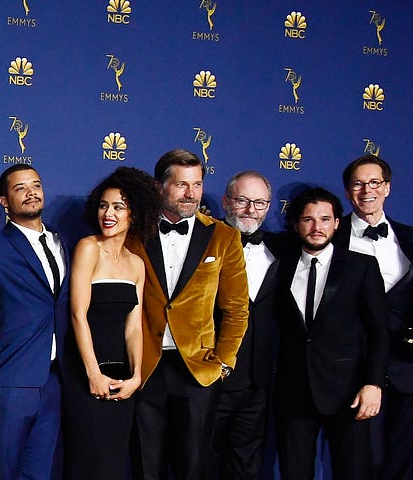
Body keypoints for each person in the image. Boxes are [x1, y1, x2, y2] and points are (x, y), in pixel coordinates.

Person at [131, 149, 249, 480]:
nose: (191, 193)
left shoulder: (225, 236)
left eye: (197, 184)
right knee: (145, 466)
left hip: (198, 370)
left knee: (193, 468)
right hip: (145, 368)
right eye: (181, 185)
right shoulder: (133, 233)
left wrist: (223, 362)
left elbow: (237, 308)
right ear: (159, 187)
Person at [333, 155, 413, 480]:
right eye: (358, 183)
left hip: (410, 368)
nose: (366, 190)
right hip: (356, 370)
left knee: (401, 465)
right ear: (347, 190)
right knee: (356, 466)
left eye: (374, 182)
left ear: (387, 188)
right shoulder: (332, 238)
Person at [0, 164, 69, 480]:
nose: (31, 192)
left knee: (38, 473)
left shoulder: (61, 242)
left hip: (52, 381)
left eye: (36, 184)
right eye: (20, 188)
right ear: (4, 202)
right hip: (10, 379)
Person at [272, 187, 388, 480]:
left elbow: (378, 330)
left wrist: (373, 383)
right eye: (308, 220)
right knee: (294, 472)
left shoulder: (361, 266)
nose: (317, 227)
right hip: (294, 390)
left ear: (337, 222)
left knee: (352, 472)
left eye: (325, 219)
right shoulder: (280, 266)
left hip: (348, 391)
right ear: (296, 224)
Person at [61, 167, 158, 479]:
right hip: (86, 376)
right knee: (88, 462)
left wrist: (136, 377)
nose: (109, 213)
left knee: (114, 465)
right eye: (104, 205)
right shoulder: (88, 248)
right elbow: (78, 315)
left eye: (119, 206)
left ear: (135, 213)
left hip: (121, 380)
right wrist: (93, 375)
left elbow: (133, 326)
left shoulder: (136, 264)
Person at [210, 170, 283, 479]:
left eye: (260, 202)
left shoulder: (284, 250)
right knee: (202, 459)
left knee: (246, 464)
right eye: (242, 200)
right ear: (226, 202)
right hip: (211, 374)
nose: (251, 210)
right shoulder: (203, 243)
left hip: (259, 379)